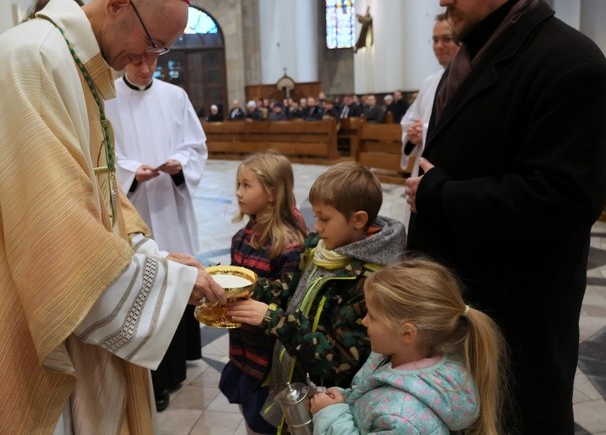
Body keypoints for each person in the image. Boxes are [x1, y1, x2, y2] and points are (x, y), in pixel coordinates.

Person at [0, 0, 226, 434]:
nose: (148, 62)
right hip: (20, 323)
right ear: (118, 4)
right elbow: (54, 241)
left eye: (161, 52)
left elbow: (100, 197)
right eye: (150, 44)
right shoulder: (36, 61)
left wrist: (159, 259)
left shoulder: (74, 65)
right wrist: (170, 285)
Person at [405, 0, 606, 432]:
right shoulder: (472, 55)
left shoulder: (570, 62)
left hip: (516, 313)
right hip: (461, 299)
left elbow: (566, 197)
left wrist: (440, 195)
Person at [227, 161, 406, 431]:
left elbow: (339, 361)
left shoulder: (370, 281)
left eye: (325, 218)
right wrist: (244, 287)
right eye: (316, 216)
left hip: (326, 400)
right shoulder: (320, 246)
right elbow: (290, 287)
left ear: (358, 219)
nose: (317, 226)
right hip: (292, 378)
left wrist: (274, 319)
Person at [105, 56, 208, 412]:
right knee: (148, 280)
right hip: (134, 206)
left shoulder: (175, 95)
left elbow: (196, 146)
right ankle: (157, 379)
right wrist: (133, 173)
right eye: (136, 61)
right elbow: (103, 155)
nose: (145, 68)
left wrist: (180, 165)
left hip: (170, 204)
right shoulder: (107, 98)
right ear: (124, 59)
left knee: (177, 270)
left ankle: (180, 361)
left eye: (151, 60)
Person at [310, 259, 507, 435]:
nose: (364, 321)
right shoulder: (395, 354)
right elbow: (368, 394)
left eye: (373, 316)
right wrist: (344, 400)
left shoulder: (406, 420)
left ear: (407, 333)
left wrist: (331, 414)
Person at [218, 151, 308, 434]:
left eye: (246, 186)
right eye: (238, 185)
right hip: (242, 347)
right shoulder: (242, 237)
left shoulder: (287, 246)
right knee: (249, 414)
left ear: (271, 192)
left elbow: (287, 304)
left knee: (266, 423)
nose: (238, 193)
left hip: (268, 359)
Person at [399, 14, 460, 228]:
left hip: (448, 178)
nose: (439, 45)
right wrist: (412, 135)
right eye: (435, 40)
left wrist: (423, 131)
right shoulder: (429, 82)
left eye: (446, 39)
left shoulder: (469, 79)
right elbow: (409, 121)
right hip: (422, 173)